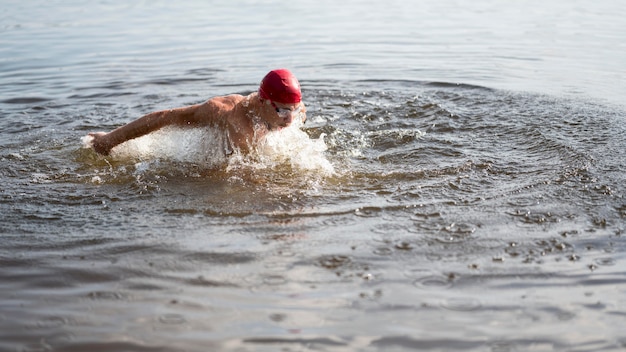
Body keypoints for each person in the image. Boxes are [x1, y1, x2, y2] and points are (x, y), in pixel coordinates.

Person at [87, 68, 306, 156]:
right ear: (262, 101)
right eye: (282, 110)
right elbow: (167, 116)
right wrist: (109, 141)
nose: (290, 118)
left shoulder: (293, 109)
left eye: (294, 109)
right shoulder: (226, 113)